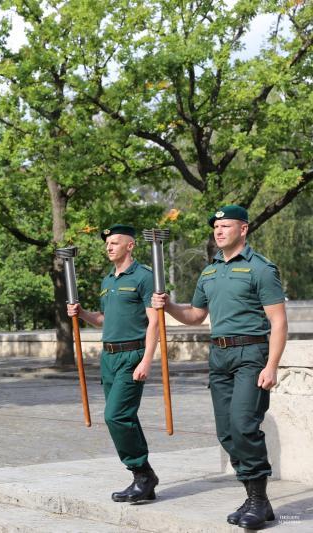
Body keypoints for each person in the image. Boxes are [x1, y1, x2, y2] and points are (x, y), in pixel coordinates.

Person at [152, 205, 286, 530]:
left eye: (226, 225)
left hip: (251, 355)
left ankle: (258, 499)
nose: (218, 231)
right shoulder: (209, 271)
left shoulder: (261, 269)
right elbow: (196, 316)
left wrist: (271, 365)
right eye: (216, 227)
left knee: (243, 425)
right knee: (226, 433)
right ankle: (255, 498)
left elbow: (279, 321)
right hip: (219, 357)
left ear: (244, 229)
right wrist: (168, 306)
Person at [67, 224, 160, 503]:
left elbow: (154, 322)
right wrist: (81, 313)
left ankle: (142, 473)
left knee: (115, 415)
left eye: (115, 243)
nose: (109, 247)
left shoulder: (144, 277)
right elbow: (104, 320)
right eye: (107, 243)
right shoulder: (107, 281)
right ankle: (144, 480)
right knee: (124, 416)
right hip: (108, 357)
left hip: (132, 355)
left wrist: (146, 360)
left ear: (130, 246)